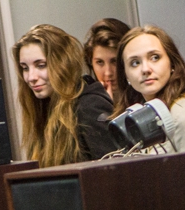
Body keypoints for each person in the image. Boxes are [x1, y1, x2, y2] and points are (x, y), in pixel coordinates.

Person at [113, 25, 185, 210]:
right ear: (126, 75)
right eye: (134, 63)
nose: (145, 69)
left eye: (154, 57)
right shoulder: (134, 117)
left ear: (172, 64)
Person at [13, 24, 118, 168]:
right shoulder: (43, 109)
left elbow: (114, 173)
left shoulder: (89, 106)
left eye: (41, 65)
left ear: (62, 64)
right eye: (25, 68)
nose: (31, 77)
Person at [83, 18, 130, 101]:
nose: (108, 73)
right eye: (100, 62)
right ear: (91, 62)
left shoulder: (145, 96)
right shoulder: (84, 103)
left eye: (114, 61)